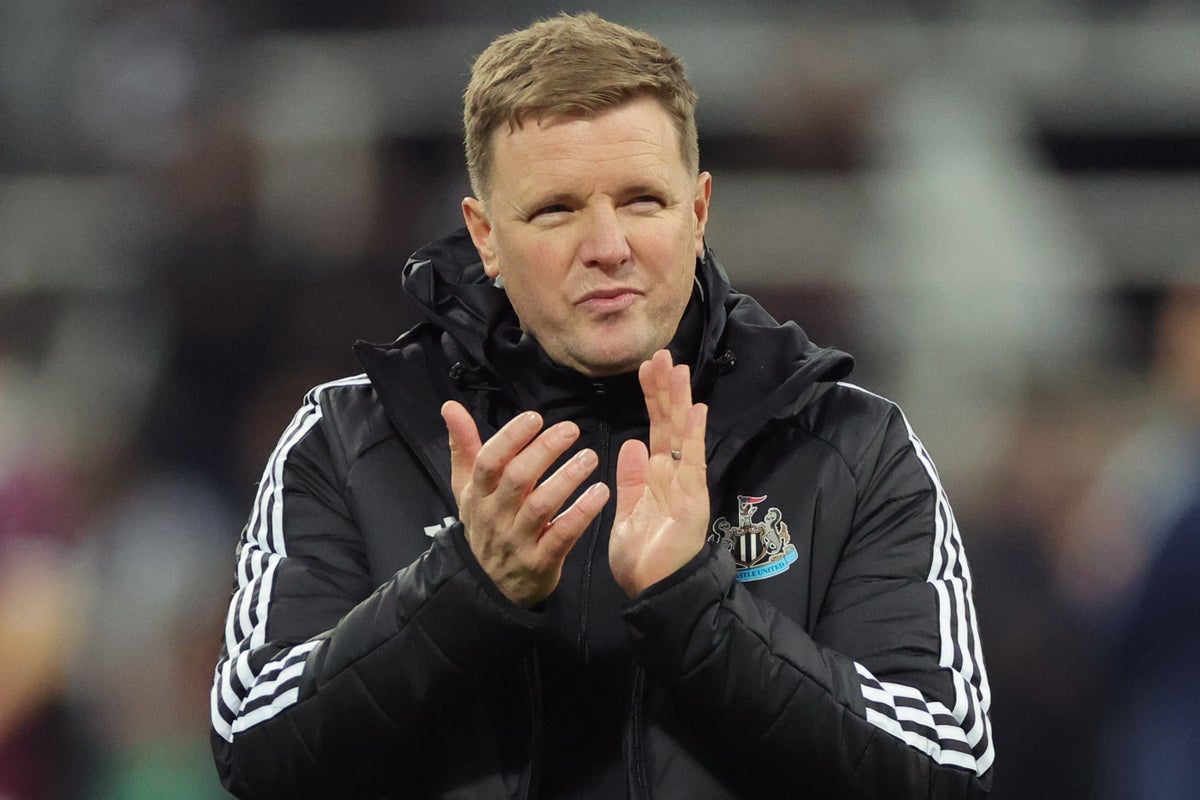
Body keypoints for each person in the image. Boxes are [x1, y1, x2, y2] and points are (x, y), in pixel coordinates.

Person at [210, 12, 993, 798]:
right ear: (484, 235)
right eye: (556, 209)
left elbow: (946, 769)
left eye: (643, 200)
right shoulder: (351, 439)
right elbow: (255, 750)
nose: (608, 246)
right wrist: (466, 590)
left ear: (698, 212)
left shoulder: (849, 444)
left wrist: (696, 608)